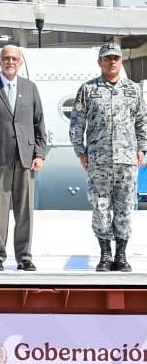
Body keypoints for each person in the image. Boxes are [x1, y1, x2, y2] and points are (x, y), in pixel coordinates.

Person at [69, 42, 147, 272]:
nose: (111, 61)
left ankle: (121, 255)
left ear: (120, 61)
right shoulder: (88, 89)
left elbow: (142, 121)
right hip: (98, 160)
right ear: (100, 62)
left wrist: (142, 148)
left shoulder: (133, 90)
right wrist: (80, 152)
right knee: (100, 206)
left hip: (126, 159)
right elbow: (77, 124)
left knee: (124, 207)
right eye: (107, 58)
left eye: (115, 58)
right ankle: (105, 254)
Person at [0, 45, 46, 272]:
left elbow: (39, 123)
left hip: (25, 157)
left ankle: (24, 256)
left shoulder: (30, 88)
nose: (10, 62)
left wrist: (40, 153)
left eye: (15, 58)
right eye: (6, 58)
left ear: (20, 62)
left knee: (25, 211)